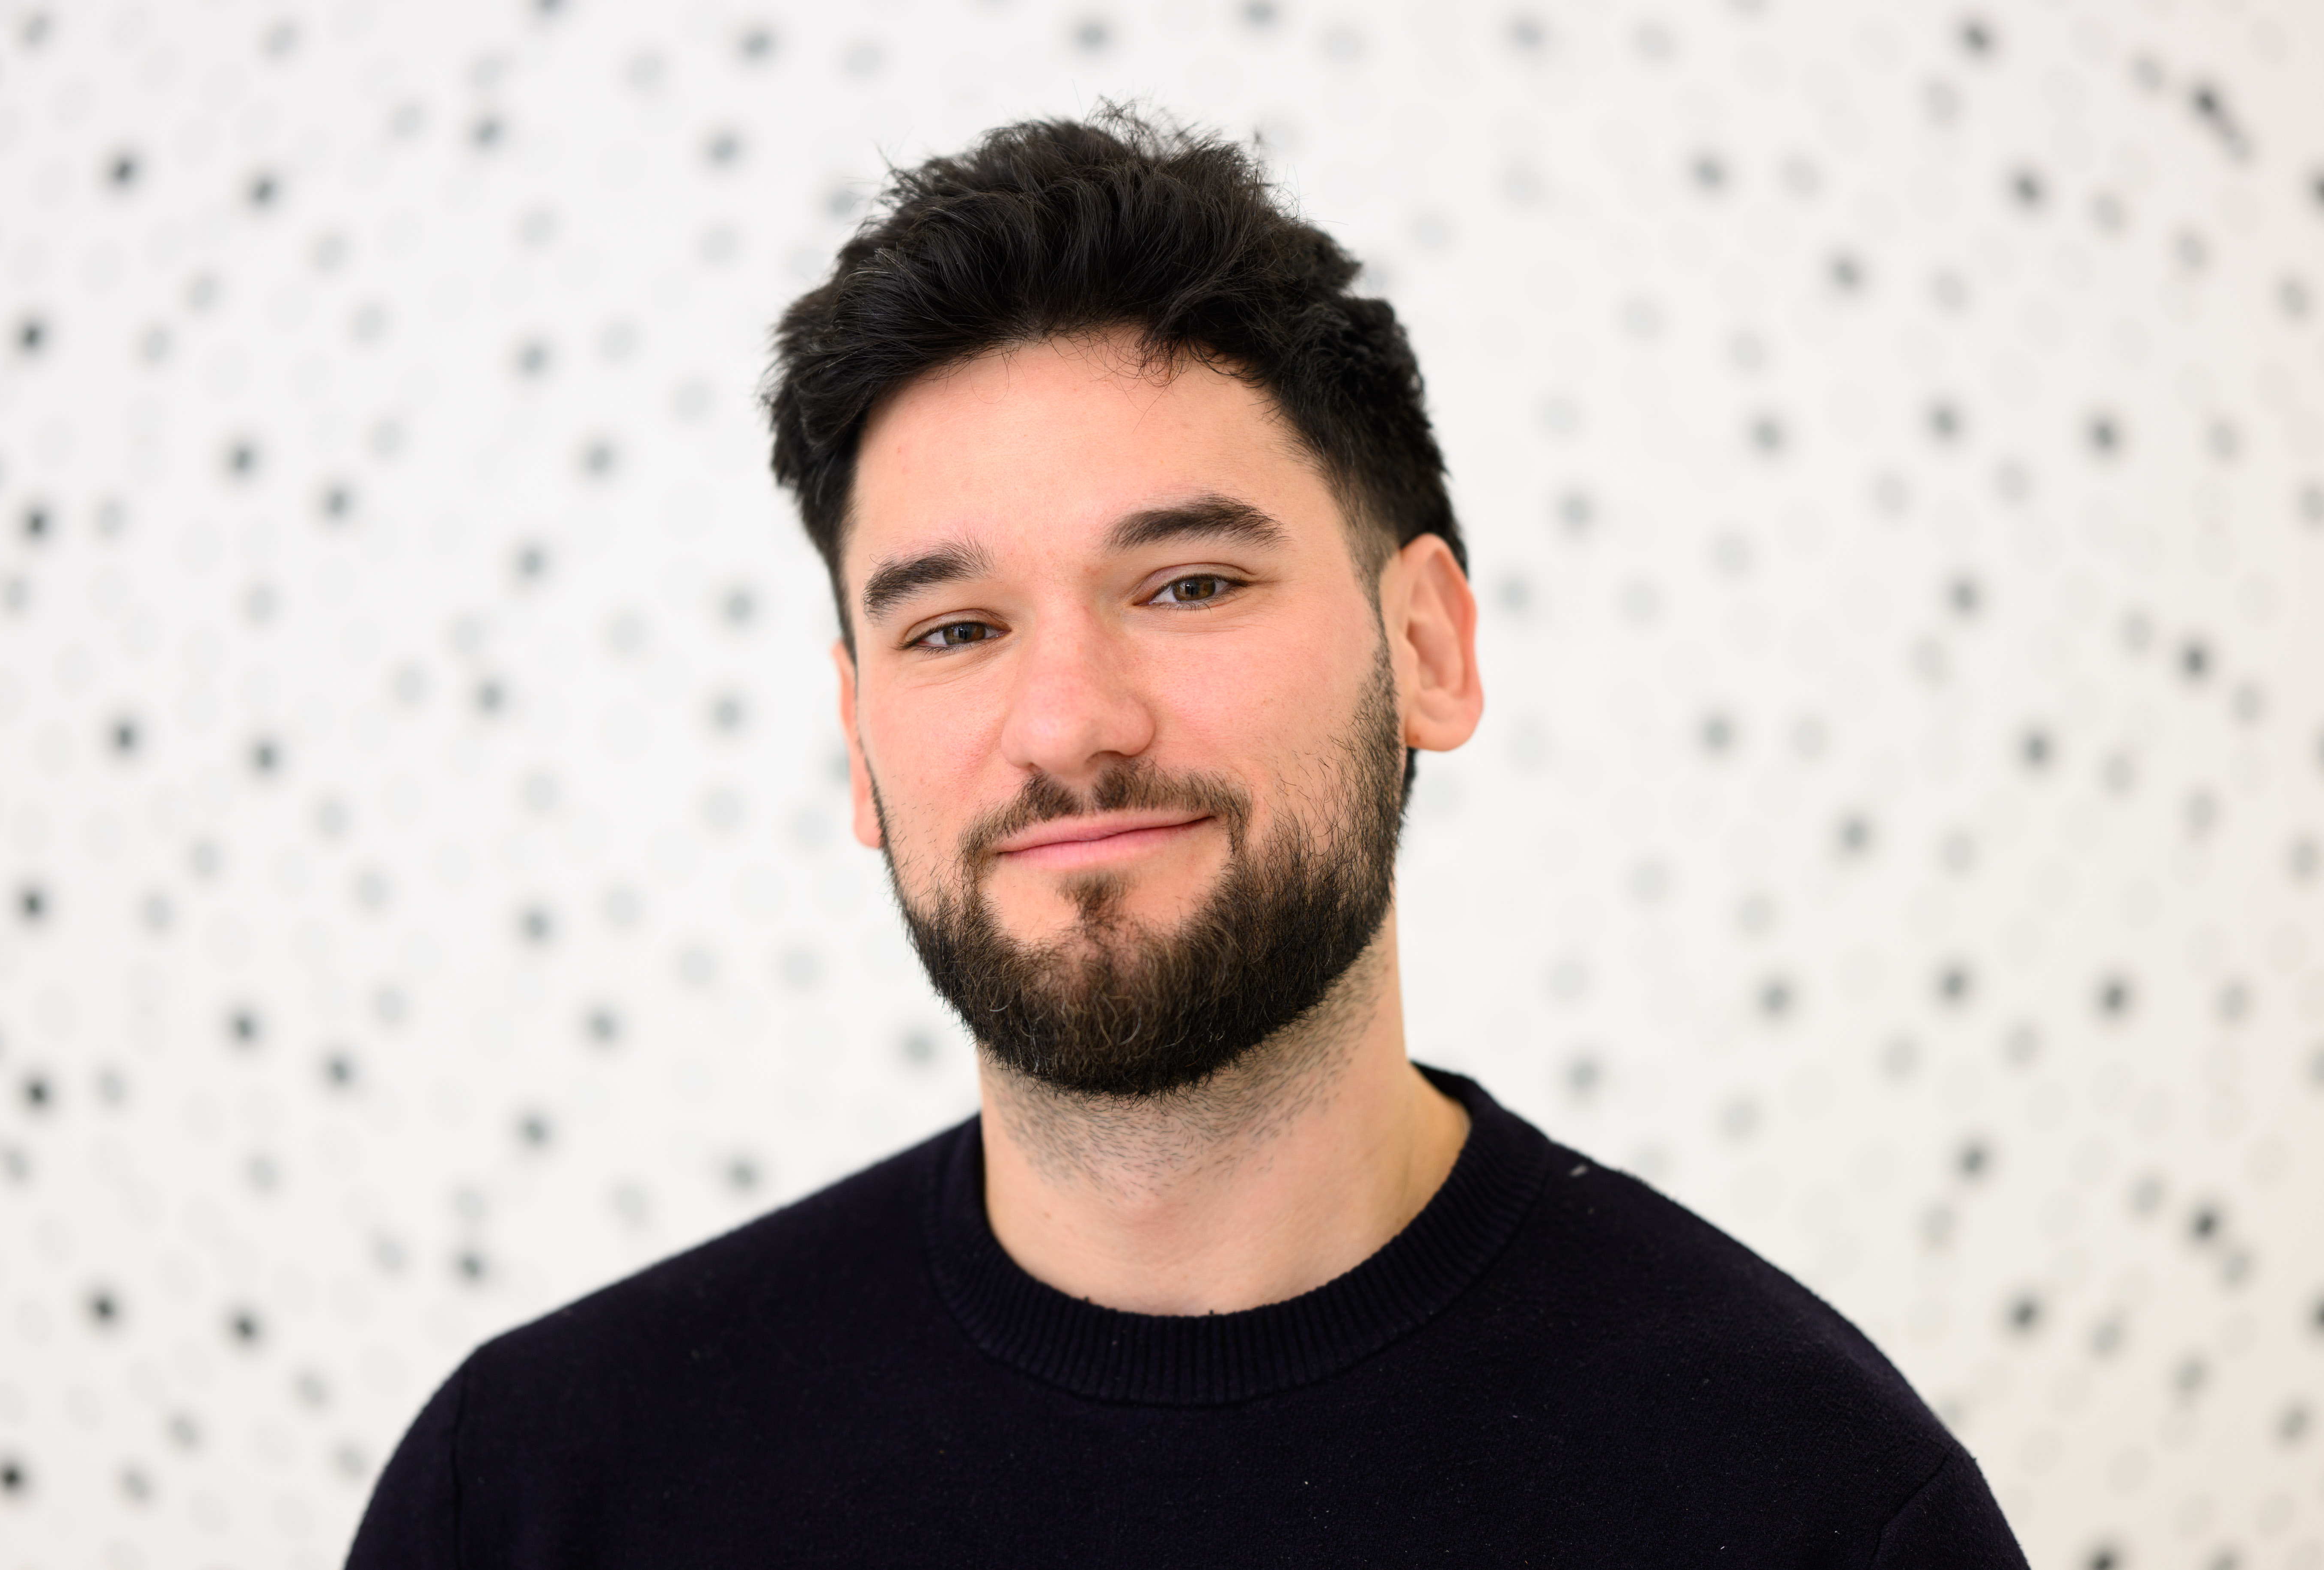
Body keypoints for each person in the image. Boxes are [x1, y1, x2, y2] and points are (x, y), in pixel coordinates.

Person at [348, 109, 2026, 1567]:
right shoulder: (535, 1495)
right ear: (860, 737)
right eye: (953, 628)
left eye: (1187, 584)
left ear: (1427, 648)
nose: (1068, 721)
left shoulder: (1810, 1501)